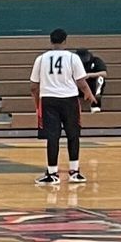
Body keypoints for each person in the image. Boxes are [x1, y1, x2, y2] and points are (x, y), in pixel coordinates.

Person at [31, 28, 89, 187]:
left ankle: (52, 173)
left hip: (48, 100)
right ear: (65, 41)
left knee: (52, 137)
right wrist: (89, 94)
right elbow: (81, 82)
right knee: (73, 135)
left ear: (50, 41)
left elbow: (33, 86)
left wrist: (37, 102)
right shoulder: (73, 58)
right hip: (69, 100)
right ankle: (75, 172)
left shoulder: (41, 59)